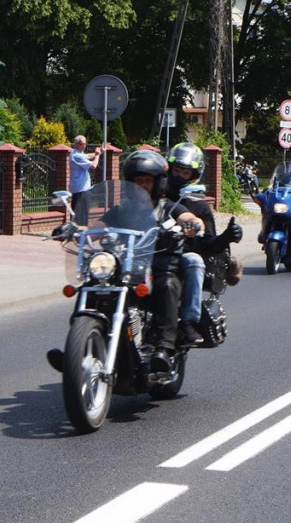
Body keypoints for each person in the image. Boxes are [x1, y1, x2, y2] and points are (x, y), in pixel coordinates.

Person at [47, 150, 202, 373]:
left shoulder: (168, 207)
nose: (141, 186)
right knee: (90, 287)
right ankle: (76, 352)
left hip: (157, 267)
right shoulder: (120, 210)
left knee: (167, 285)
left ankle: (165, 349)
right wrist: (72, 230)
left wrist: (192, 225)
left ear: (158, 184)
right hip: (123, 266)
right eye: (137, 182)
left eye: (147, 181)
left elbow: (189, 218)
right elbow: (94, 229)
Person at [166, 143, 243, 346]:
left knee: (193, 261)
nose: (179, 176)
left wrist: (226, 237)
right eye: (176, 170)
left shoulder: (198, 205)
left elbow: (209, 245)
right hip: (149, 251)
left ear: (193, 176)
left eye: (185, 172)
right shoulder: (154, 195)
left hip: (180, 256)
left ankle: (188, 321)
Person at [69, 135, 103, 224]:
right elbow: (93, 166)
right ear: (76, 144)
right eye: (81, 144)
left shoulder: (78, 154)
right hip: (81, 190)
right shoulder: (76, 156)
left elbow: (87, 156)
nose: (83, 146)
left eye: (84, 144)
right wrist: (98, 155)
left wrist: (99, 152)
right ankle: (79, 235)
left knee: (80, 216)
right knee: (81, 217)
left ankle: (78, 234)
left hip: (80, 189)